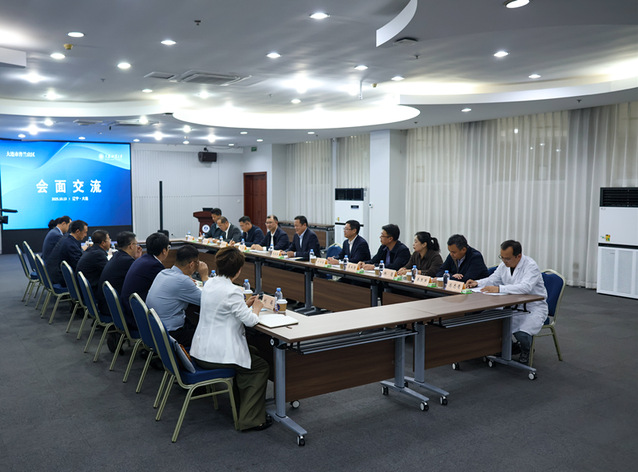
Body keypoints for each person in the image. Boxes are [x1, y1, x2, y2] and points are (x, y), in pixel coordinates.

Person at [190, 246, 271, 432]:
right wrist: (256, 308)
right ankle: (250, 419)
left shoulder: (210, 283)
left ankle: (243, 403)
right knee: (260, 367)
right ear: (239, 270)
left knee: (253, 352)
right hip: (218, 355)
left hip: (201, 350)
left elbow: (223, 309)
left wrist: (243, 305)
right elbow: (251, 321)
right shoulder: (232, 291)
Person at [466, 240, 548, 364]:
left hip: (532, 307)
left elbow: (526, 287)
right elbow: (493, 279)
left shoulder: (531, 266)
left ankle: (526, 350)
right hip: (511, 304)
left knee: (522, 333)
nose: (504, 261)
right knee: (490, 320)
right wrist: (477, 283)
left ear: (518, 256)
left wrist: (499, 289)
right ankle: (510, 347)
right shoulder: (504, 264)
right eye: (502, 257)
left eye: (507, 258)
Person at [146, 244, 208, 347]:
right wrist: (204, 276)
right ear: (191, 264)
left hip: (155, 329)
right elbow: (208, 300)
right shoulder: (183, 281)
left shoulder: (163, 273)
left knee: (192, 320)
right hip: (170, 334)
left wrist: (186, 278)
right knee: (207, 335)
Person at [120, 232, 170, 328]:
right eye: (168, 247)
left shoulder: (143, 259)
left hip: (128, 309)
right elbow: (167, 288)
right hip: (136, 316)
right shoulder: (154, 265)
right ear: (164, 251)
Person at [95, 231, 143, 315]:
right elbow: (140, 280)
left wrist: (136, 258)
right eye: (136, 244)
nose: (137, 247)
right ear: (131, 246)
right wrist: (138, 260)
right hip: (114, 309)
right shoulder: (127, 261)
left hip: (106, 304)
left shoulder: (118, 255)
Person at [45, 219, 88, 286]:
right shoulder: (71, 245)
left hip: (54, 272)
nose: (86, 235)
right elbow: (79, 266)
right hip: (61, 278)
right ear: (77, 231)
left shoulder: (66, 238)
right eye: (85, 232)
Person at [76, 229, 111, 294]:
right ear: (103, 243)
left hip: (85, 288)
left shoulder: (91, 249)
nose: (110, 242)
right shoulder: (98, 254)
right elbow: (108, 273)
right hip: (93, 290)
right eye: (109, 240)